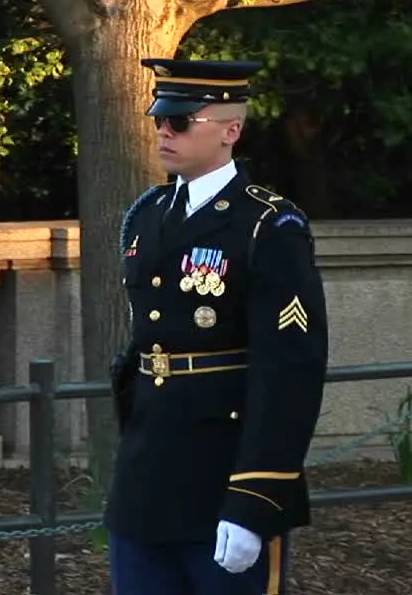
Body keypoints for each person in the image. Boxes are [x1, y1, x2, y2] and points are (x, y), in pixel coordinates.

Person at [104, 57, 329, 595]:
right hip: (146, 478)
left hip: (222, 478)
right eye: (160, 118)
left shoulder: (268, 225)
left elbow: (289, 372)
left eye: (180, 122)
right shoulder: (147, 214)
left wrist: (256, 498)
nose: (164, 129)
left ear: (231, 131)